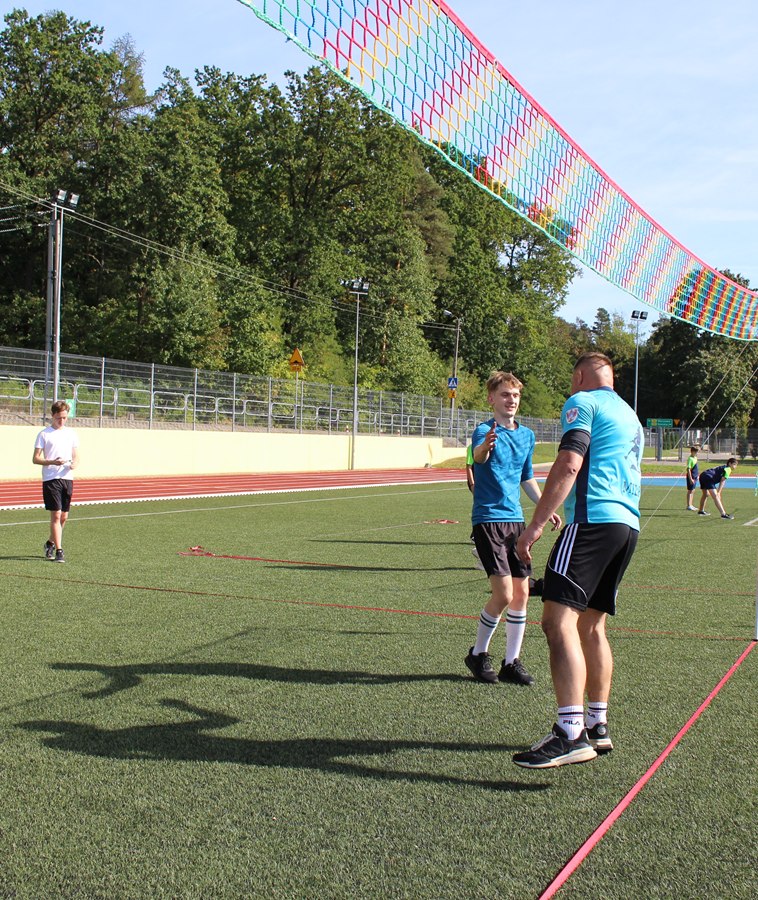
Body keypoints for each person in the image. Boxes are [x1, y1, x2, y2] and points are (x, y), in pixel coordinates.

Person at [513, 352, 643, 768]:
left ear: (581, 376)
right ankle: (597, 724)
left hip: (591, 521)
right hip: (626, 527)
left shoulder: (582, 401)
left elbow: (570, 463)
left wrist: (535, 526)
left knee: (557, 622)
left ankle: (569, 733)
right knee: (592, 625)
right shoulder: (630, 415)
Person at [464, 371, 561, 687]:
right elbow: (480, 456)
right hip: (488, 520)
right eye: (505, 395)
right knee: (504, 594)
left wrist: (546, 508)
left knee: (521, 593)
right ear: (491, 398)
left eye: (516, 395)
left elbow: (526, 477)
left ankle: (511, 662)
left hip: (515, 521)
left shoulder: (527, 436)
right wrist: (484, 447)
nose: (511, 400)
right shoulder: (483, 431)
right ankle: (478, 654)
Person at [33, 400, 80, 563]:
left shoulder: (71, 434)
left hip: (67, 477)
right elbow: (36, 458)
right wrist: (52, 462)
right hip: (51, 478)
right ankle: (59, 550)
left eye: (65, 418)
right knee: (56, 514)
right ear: (53, 416)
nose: (62, 421)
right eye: (59, 417)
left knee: (64, 517)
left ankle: (50, 543)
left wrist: (75, 464)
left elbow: (76, 455)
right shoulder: (44, 434)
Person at [685, 445, 699, 510]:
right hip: (691, 477)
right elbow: (688, 469)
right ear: (692, 451)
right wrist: (690, 479)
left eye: (697, 452)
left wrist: (697, 475)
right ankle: (688, 505)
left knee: (693, 490)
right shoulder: (690, 459)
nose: (696, 453)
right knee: (690, 491)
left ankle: (691, 504)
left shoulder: (695, 458)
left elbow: (696, 468)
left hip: (695, 476)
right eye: (695, 452)